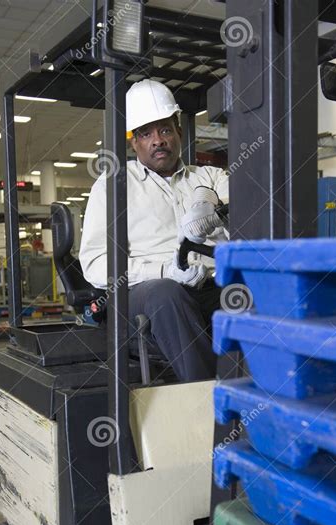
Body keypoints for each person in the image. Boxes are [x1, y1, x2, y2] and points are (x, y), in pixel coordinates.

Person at [79, 79, 228, 382]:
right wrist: (164, 270)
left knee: (259, 290)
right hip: (144, 294)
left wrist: (213, 203)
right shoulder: (114, 185)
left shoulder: (209, 176)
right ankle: (209, 406)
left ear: (179, 132)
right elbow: (95, 264)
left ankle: (272, 395)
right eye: (146, 133)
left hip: (209, 285)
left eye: (164, 130)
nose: (158, 140)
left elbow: (251, 215)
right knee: (167, 294)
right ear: (133, 142)